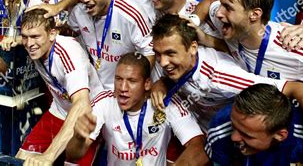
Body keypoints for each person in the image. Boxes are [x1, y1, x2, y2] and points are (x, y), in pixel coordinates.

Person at [150, 14, 303, 132]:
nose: (163, 62)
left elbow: (295, 87)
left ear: (193, 47)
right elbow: (210, 3)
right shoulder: (182, 63)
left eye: (170, 54)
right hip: (196, 125)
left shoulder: (222, 77)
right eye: (158, 53)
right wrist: (163, 82)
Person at [66, 52, 209, 165]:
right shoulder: (104, 102)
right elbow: (72, 155)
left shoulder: (165, 104)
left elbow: (198, 146)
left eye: (132, 81)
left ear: (147, 84)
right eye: (118, 79)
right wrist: (78, 137)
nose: (122, 88)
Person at [15, 9, 103, 165]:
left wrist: (48, 155)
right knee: (20, 161)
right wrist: (11, 40)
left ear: (52, 34)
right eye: (25, 37)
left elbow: (82, 104)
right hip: (60, 110)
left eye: (35, 36)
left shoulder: (68, 52)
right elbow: (28, 39)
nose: (29, 44)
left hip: (88, 113)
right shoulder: (37, 46)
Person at [208, 0, 303, 86]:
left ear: (254, 14)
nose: (218, 13)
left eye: (227, 8)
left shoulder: (293, 46)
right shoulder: (225, 23)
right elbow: (210, 4)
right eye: (221, 5)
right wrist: (196, 21)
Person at [67, 0, 154, 90]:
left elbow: (149, 53)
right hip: (95, 90)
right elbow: (73, 32)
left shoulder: (131, 15)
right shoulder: (78, 12)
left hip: (123, 91)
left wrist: (133, 88)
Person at [206, 84, 303, 165]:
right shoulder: (220, 128)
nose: (233, 137)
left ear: (280, 135)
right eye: (234, 126)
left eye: (247, 135)